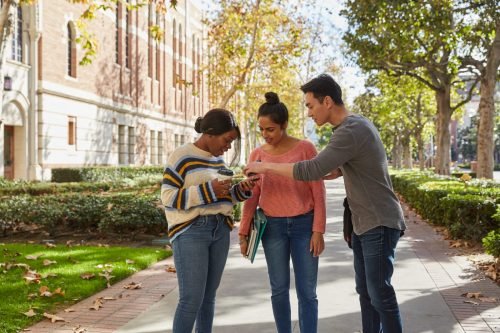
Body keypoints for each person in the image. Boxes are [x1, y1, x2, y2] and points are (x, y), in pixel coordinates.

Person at [244, 75, 407, 333]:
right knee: (366, 292)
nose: (309, 113)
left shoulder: (351, 130)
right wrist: (339, 171)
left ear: (327, 101)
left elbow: (313, 168)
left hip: (378, 221)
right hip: (364, 224)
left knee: (380, 295)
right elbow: (356, 163)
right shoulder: (353, 127)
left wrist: (266, 167)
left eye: (310, 105)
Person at [161, 108, 257, 333]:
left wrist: (240, 190)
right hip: (191, 231)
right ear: (211, 133)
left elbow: (222, 197)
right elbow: (167, 197)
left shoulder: (219, 160)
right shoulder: (182, 156)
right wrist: (208, 190)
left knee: (208, 298)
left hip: (220, 231)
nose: (229, 146)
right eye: (227, 139)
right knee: (191, 299)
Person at [239, 92, 326, 333]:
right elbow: (252, 196)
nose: (266, 135)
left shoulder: (306, 149)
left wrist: (318, 230)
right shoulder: (257, 155)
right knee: (278, 290)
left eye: (271, 129)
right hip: (272, 228)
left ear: (284, 125)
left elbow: (318, 191)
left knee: (307, 292)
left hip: (304, 226)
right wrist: (243, 232)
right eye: (262, 130)